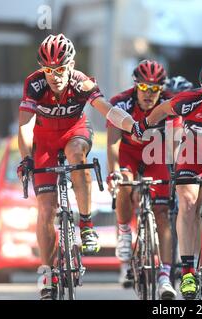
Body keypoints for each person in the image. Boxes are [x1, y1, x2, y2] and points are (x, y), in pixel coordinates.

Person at [113, 58, 202, 299]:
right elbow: (161, 110)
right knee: (187, 204)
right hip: (193, 153)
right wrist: (142, 126)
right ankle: (188, 271)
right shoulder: (188, 101)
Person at [17, 33, 135, 300]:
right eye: (48, 70)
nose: (54, 76)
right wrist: (26, 158)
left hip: (74, 133)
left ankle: (85, 223)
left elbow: (106, 109)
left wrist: (131, 124)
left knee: (77, 157)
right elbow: (25, 125)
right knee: (46, 209)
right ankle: (46, 271)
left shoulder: (82, 83)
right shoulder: (34, 84)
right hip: (45, 141)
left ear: (70, 65)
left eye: (60, 69)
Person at [106, 59, 178, 299]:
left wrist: (177, 173)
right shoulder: (120, 103)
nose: (149, 94)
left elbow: (176, 144)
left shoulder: (171, 104)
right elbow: (113, 143)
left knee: (162, 214)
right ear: (136, 86)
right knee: (124, 183)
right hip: (128, 153)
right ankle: (125, 232)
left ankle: (166, 276)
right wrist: (114, 172)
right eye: (144, 88)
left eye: (155, 89)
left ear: (162, 89)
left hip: (156, 155)